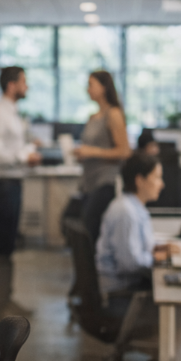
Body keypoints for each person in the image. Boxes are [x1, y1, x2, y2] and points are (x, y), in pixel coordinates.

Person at [0, 66, 42, 317]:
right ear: (11, 85)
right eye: (23, 82)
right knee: (4, 246)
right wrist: (22, 157)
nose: (26, 87)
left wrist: (28, 147)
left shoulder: (11, 112)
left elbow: (10, 145)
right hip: (2, 185)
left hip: (12, 183)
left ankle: (5, 298)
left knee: (8, 245)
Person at [96, 152, 180, 319]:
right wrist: (159, 257)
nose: (161, 184)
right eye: (156, 178)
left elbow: (136, 245)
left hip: (127, 291)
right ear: (139, 180)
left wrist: (158, 247)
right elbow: (129, 263)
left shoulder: (133, 207)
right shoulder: (126, 213)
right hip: (122, 297)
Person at [74, 71, 132, 243]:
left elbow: (124, 151)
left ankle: (95, 268)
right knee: (77, 226)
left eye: (91, 84)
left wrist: (92, 152)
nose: (88, 89)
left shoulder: (113, 114)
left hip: (105, 181)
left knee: (89, 228)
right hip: (88, 181)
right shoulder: (93, 116)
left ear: (104, 87)